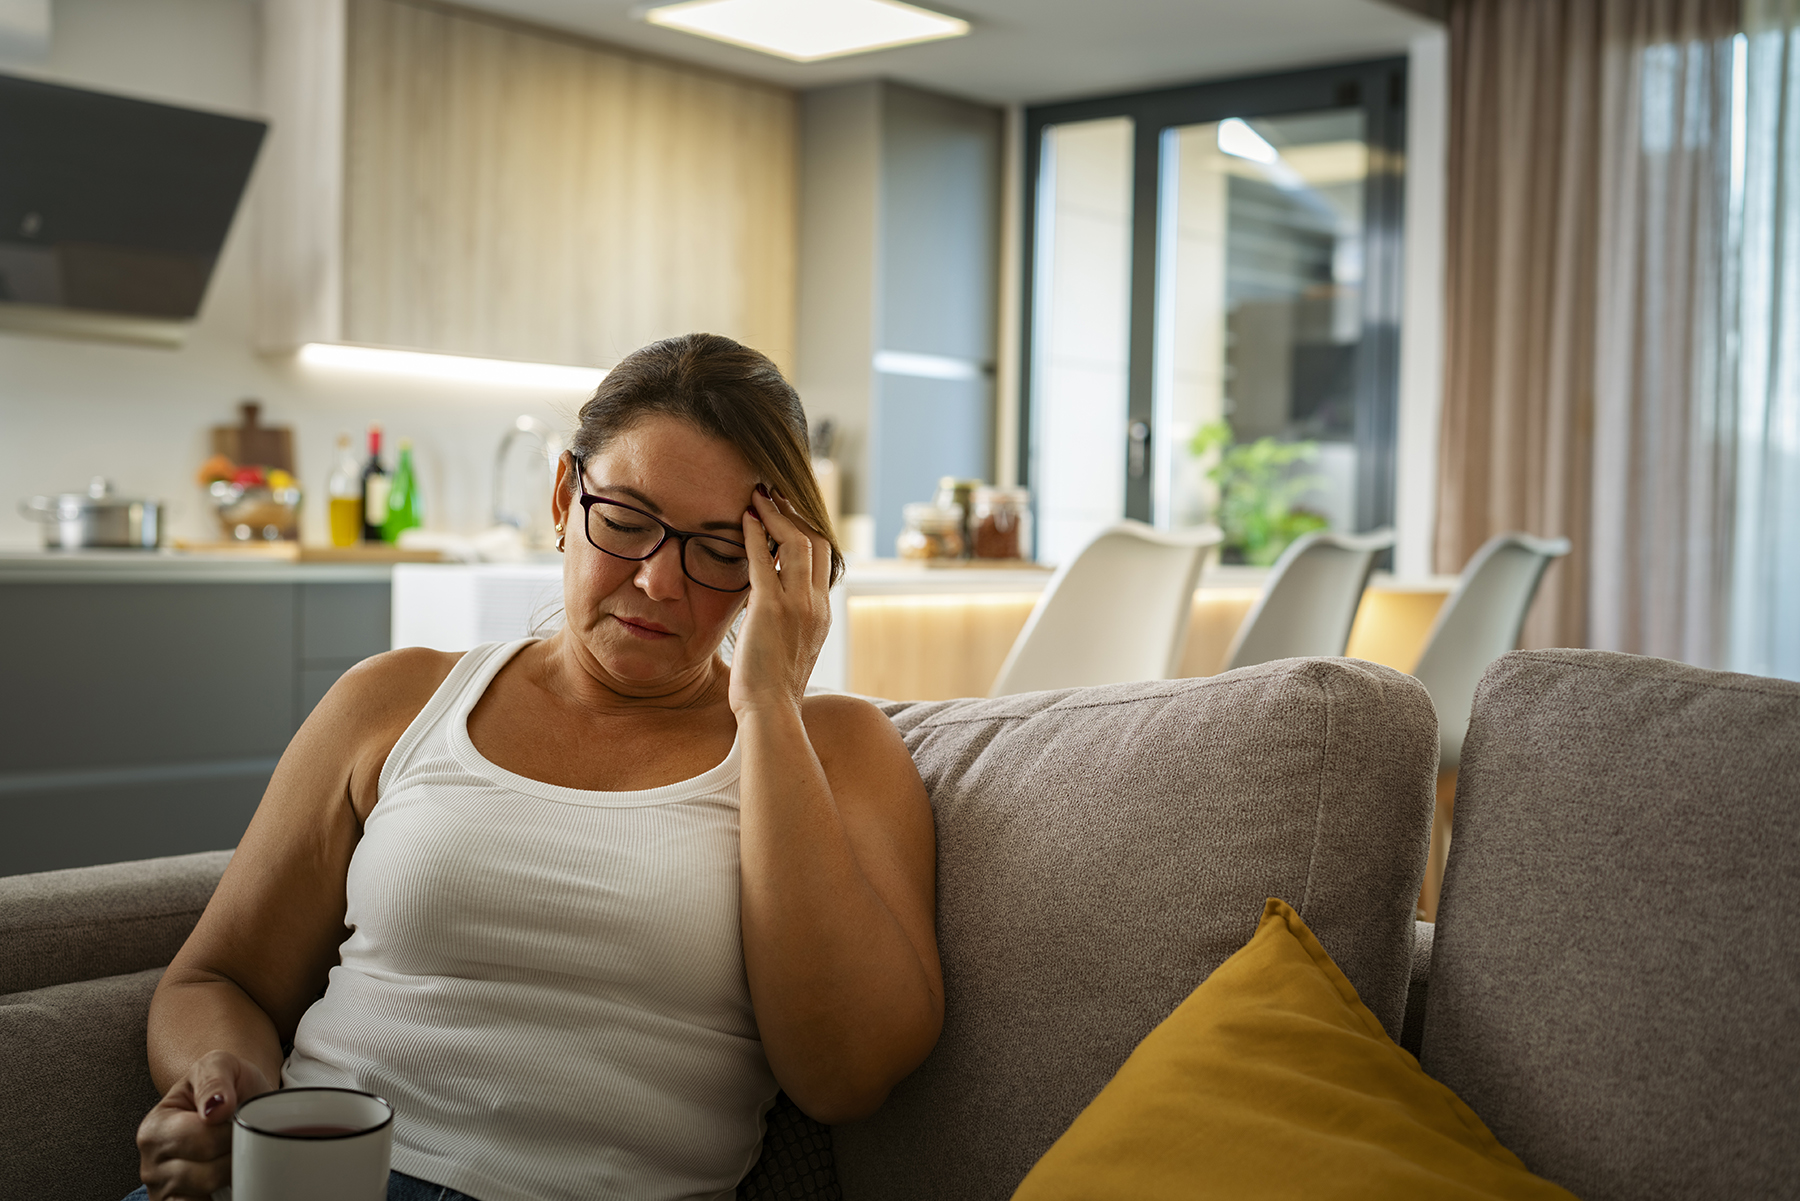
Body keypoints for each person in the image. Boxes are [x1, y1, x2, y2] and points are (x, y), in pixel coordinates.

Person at [132, 334, 944, 1201]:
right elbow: (215, 977)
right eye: (626, 522)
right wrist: (223, 1079)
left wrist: (771, 706)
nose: (659, 582)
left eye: (715, 549)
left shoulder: (832, 749)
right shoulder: (396, 699)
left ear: (776, 568)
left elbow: (846, 1074)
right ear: (565, 498)